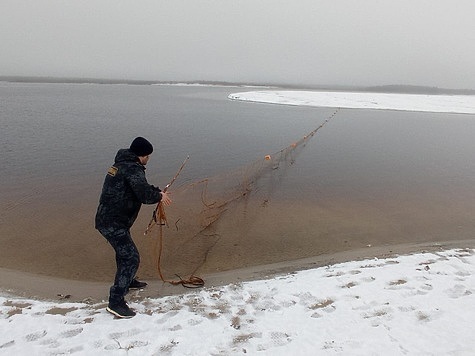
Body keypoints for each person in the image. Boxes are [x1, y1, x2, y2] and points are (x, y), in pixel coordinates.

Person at [95, 137, 171, 318]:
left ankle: (127, 281)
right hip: (112, 222)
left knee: (124, 253)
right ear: (142, 155)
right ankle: (116, 302)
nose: (148, 159)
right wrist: (159, 196)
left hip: (113, 220)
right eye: (148, 156)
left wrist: (157, 192)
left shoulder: (121, 164)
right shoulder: (132, 168)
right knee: (131, 258)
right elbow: (144, 195)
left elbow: (139, 188)